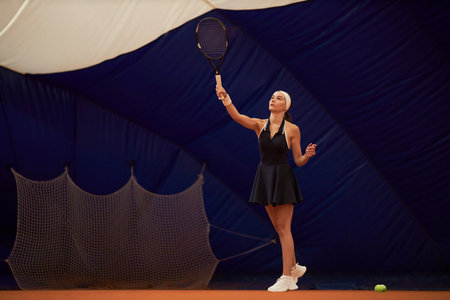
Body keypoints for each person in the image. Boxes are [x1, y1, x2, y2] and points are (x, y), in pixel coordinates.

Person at [216, 85, 317, 292]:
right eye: (272, 97)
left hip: (283, 178)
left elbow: (297, 160)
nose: (273, 99)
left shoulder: (292, 129)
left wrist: (306, 155)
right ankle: (294, 267)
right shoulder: (259, 124)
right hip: (264, 178)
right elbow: (236, 116)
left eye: (278, 98)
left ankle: (287, 277)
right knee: (278, 228)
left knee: (284, 228)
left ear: (285, 106)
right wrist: (225, 97)